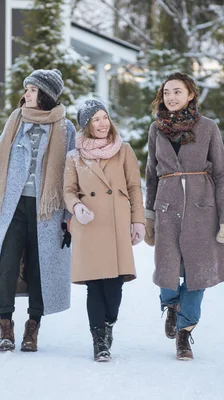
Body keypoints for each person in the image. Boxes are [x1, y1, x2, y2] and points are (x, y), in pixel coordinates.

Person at [0, 69, 76, 352]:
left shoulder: (65, 129)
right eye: (27, 89)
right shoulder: (15, 123)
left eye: (32, 90)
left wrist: (69, 218)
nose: (26, 94)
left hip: (48, 211)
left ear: (45, 94)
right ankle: (5, 326)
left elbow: (71, 175)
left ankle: (33, 327)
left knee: (39, 266)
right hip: (11, 205)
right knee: (6, 263)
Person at [144, 72, 224, 360]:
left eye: (177, 92)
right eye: (167, 92)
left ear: (191, 95)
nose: (171, 97)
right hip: (166, 208)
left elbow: (222, 174)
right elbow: (151, 174)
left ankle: (184, 333)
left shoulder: (208, 128)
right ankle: (171, 305)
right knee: (166, 272)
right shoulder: (156, 129)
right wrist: (148, 216)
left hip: (201, 209)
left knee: (198, 274)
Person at [63, 99, 145, 362]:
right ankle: (99, 340)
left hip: (117, 223)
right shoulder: (74, 156)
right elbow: (68, 191)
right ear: (86, 125)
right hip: (89, 224)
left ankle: (108, 324)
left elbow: (134, 187)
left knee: (114, 286)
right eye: (96, 119)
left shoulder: (124, 151)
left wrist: (138, 221)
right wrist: (76, 208)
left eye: (105, 118)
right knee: (95, 286)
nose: (102, 123)